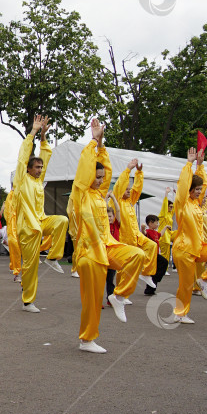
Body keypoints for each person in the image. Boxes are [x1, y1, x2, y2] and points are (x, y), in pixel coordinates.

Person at [68, 119, 146, 353]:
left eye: (102, 178)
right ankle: (87, 340)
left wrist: (101, 145)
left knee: (137, 255)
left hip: (107, 246)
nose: (101, 181)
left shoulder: (100, 194)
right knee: (91, 302)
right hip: (89, 254)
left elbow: (110, 174)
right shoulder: (80, 194)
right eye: (97, 177)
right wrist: (92, 141)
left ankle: (119, 296)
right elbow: (84, 169)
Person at [14, 115, 68, 312]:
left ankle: (53, 257)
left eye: (40, 167)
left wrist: (44, 137)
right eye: (36, 167)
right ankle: (27, 301)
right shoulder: (21, 180)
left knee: (62, 220)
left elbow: (46, 155)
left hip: (42, 221)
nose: (39, 170)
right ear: (28, 169)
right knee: (30, 267)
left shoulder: (38, 181)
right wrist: (33, 133)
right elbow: (22, 157)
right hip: (28, 229)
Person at [170, 147, 207, 322]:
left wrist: (200, 166)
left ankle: (203, 280)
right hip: (184, 249)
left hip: (199, 246)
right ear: (189, 189)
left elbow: (203, 190)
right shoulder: (182, 203)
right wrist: (189, 164)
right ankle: (180, 313)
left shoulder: (196, 204)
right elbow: (183, 187)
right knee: (185, 285)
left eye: (200, 189)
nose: (199, 192)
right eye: (196, 189)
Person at [113, 160, 161, 293]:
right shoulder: (116, 201)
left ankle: (146, 273)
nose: (129, 191)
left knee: (152, 246)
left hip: (137, 236)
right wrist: (128, 169)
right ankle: (120, 293)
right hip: (124, 239)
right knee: (123, 268)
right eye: (126, 189)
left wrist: (139, 173)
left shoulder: (129, 201)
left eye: (129, 189)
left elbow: (137, 189)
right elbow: (118, 187)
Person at [0, 189, 22, 281]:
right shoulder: (11, 195)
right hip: (13, 226)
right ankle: (17, 273)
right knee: (14, 247)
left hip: (24, 223)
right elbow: (7, 213)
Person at [157, 188, 175, 263]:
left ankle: (165, 269)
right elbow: (164, 206)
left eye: (172, 207)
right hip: (163, 237)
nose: (171, 208)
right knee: (164, 254)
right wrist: (166, 194)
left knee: (167, 254)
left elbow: (176, 206)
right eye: (170, 206)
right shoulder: (163, 215)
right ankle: (163, 269)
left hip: (168, 237)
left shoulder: (170, 215)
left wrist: (177, 194)